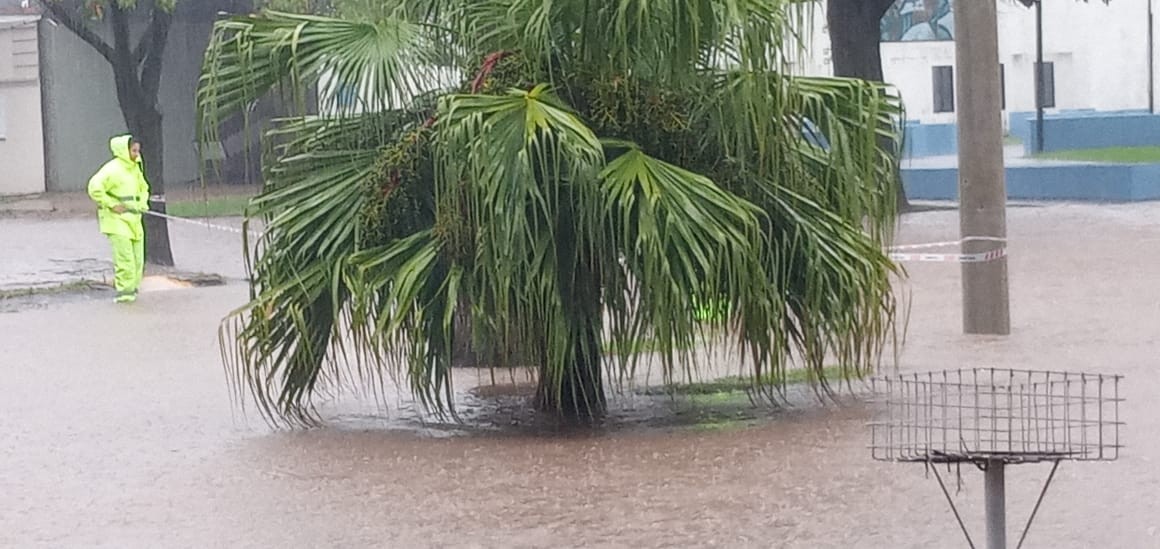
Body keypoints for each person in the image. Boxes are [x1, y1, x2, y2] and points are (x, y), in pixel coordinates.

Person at [87, 134, 150, 303]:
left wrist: (143, 203)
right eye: (133, 150)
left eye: (138, 150)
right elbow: (94, 188)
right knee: (125, 260)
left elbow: (144, 188)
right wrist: (111, 204)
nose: (137, 154)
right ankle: (124, 295)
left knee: (138, 260)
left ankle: (132, 292)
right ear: (124, 150)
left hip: (135, 220)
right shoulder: (112, 169)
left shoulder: (135, 168)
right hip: (117, 221)